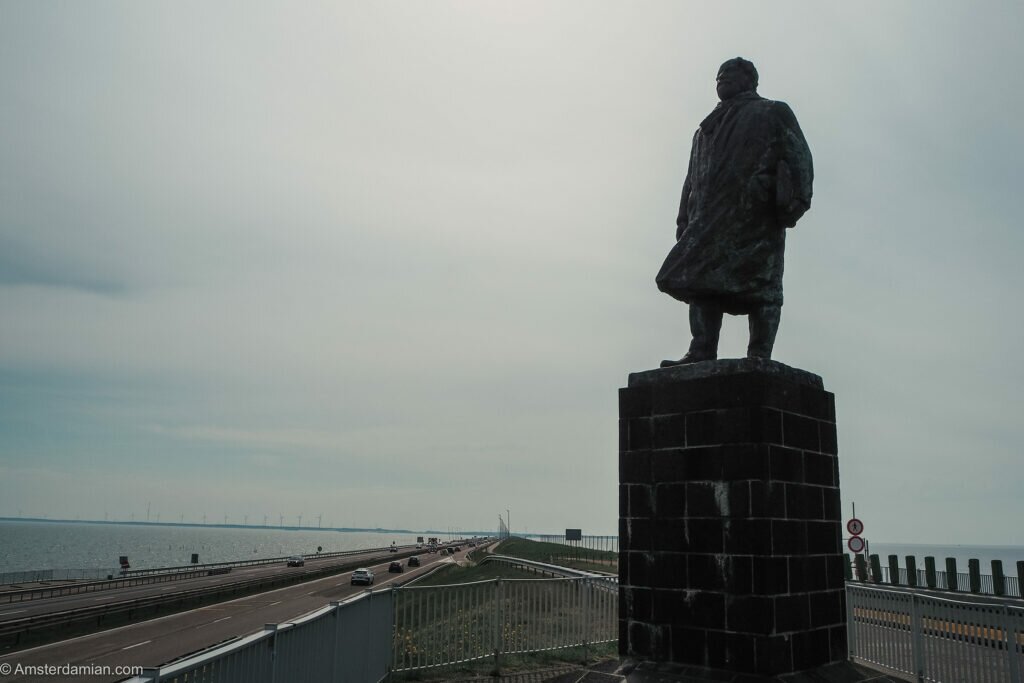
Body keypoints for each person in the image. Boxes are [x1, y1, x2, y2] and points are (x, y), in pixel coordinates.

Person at [656, 57, 813, 365]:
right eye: (718, 76)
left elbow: (800, 160)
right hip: (707, 220)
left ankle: (759, 354)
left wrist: (793, 204)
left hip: (754, 216)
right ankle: (701, 349)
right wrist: (683, 218)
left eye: (729, 74)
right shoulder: (705, 129)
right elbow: (692, 176)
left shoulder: (773, 112)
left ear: (749, 80)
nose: (721, 79)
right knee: (700, 281)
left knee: (762, 286)